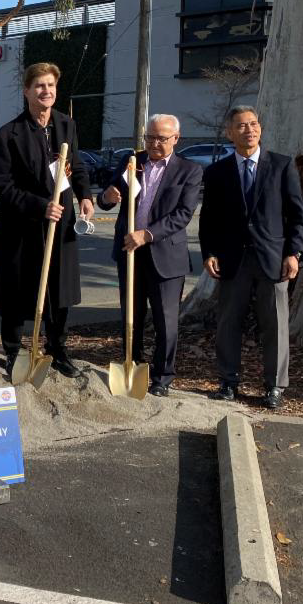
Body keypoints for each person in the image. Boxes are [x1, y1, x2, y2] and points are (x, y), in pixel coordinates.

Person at [0, 61, 94, 381]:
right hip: (23, 225)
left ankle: (58, 350)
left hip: (60, 223)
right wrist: (39, 206)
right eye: (39, 86)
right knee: (18, 289)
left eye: (50, 85)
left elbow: (76, 164)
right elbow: (2, 185)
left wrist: (85, 195)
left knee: (59, 288)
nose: (45, 91)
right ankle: (13, 351)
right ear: (26, 91)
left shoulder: (66, 124)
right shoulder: (8, 134)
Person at [199, 106, 303, 409]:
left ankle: (275, 386)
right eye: (242, 126)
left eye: (254, 124)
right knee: (228, 323)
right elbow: (209, 220)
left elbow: (298, 217)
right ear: (229, 133)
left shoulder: (281, 166)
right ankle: (228, 382)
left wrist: (295, 253)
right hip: (232, 260)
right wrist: (209, 253)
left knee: (275, 325)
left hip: (273, 259)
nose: (249, 130)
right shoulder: (217, 172)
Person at [97, 114, 202, 396]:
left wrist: (147, 234)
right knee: (131, 315)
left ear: (176, 139)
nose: (155, 143)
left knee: (165, 320)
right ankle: (132, 365)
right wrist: (107, 197)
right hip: (129, 252)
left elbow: (183, 214)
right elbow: (105, 199)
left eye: (162, 138)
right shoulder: (131, 161)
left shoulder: (189, 170)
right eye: (150, 137)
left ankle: (162, 377)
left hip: (165, 255)